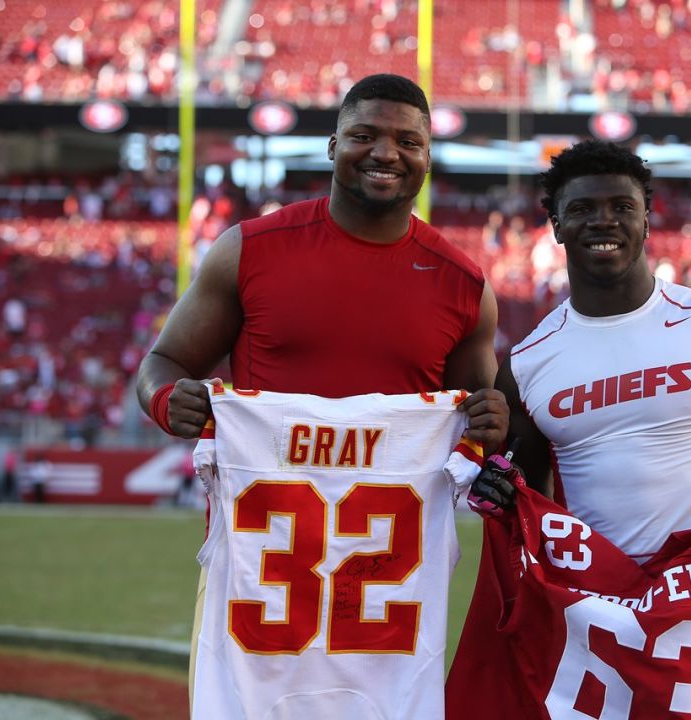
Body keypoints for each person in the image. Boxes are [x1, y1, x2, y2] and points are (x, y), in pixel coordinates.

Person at [133, 74, 508, 716]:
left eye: (407, 141)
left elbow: (478, 425)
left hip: (388, 599)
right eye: (365, 135)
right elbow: (162, 362)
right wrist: (168, 399)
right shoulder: (250, 250)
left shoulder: (464, 285)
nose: (386, 153)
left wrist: (490, 421)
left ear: (427, 155)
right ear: (333, 146)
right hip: (258, 580)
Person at [450, 140, 691, 717]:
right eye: (582, 208)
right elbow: (525, 496)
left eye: (622, 206)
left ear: (648, 218)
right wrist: (494, 483)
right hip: (587, 622)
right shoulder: (527, 363)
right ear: (555, 225)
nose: (603, 221)